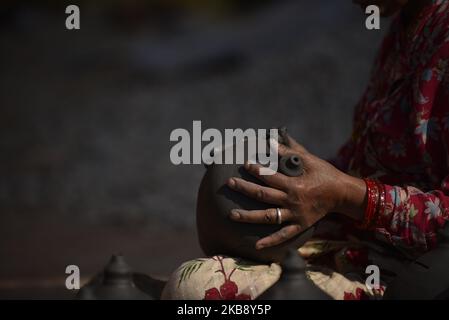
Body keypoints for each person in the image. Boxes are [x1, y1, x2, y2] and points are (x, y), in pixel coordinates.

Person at [163, 0, 449, 300]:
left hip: (410, 276)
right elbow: (362, 160)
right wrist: (300, 181)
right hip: (352, 248)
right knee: (196, 276)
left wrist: (347, 194)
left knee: (196, 290)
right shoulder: (403, 27)